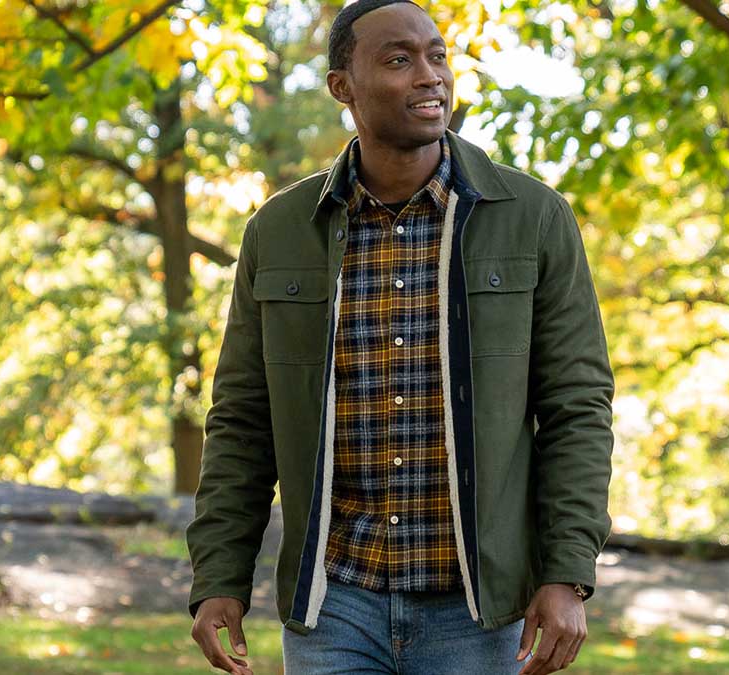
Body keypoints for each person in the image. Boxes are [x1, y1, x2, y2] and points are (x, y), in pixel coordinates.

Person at [185, 1, 614, 673]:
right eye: (398, 60)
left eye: (438, 56)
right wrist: (218, 576)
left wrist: (567, 570)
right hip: (334, 604)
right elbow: (243, 419)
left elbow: (576, 408)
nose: (430, 76)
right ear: (342, 86)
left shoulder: (533, 219)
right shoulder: (279, 230)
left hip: (473, 612)